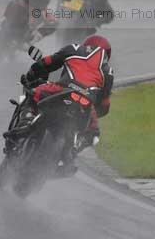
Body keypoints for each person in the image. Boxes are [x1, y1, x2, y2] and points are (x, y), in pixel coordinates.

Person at [19, 35, 114, 174]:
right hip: (85, 103)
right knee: (94, 133)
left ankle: (27, 119)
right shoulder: (108, 72)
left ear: (87, 44)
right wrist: (93, 110)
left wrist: (31, 75)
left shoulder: (74, 48)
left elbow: (46, 62)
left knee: (33, 92)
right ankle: (71, 152)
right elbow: (104, 105)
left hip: (62, 90)